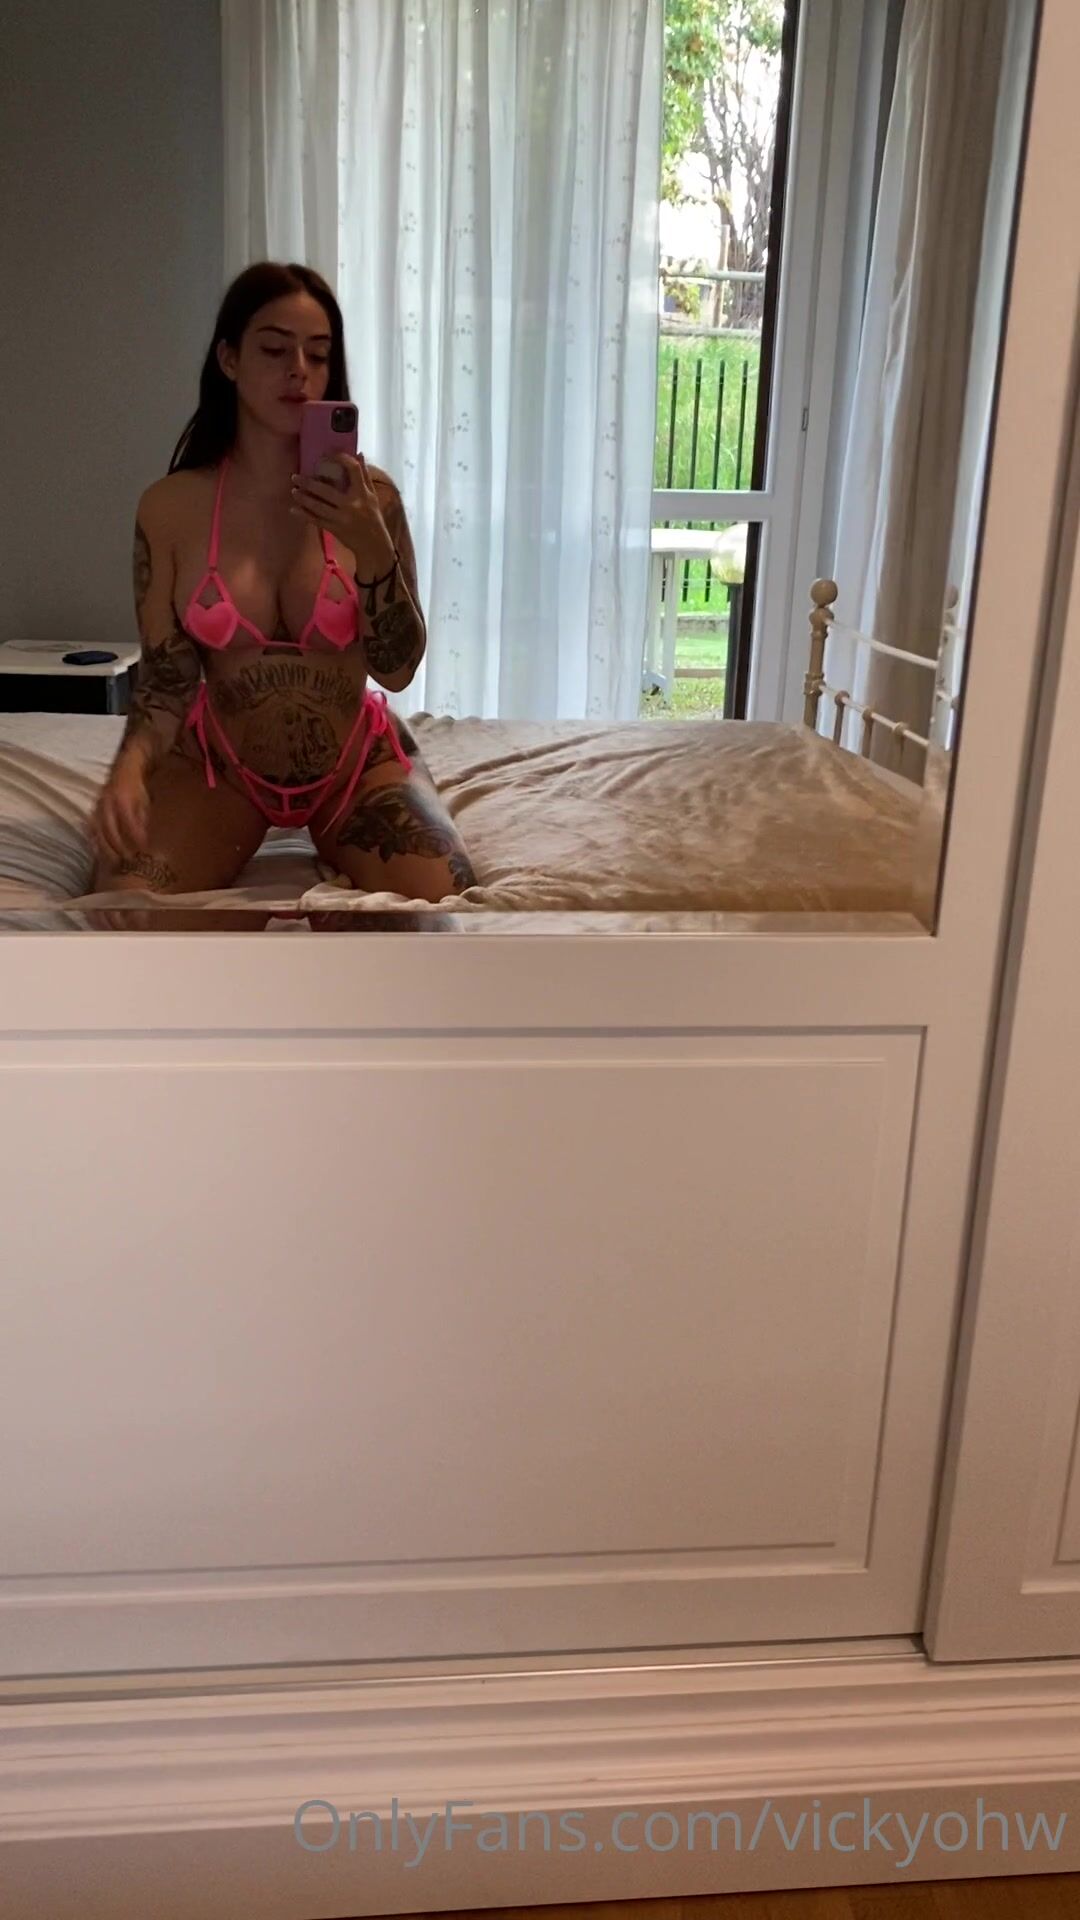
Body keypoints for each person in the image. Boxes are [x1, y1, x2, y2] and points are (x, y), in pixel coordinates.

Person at [90, 261, 477, 901]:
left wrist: (371, 549)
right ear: (229, 359)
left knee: (440, 904)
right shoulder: (170, 510)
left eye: (318, 354)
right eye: (274, 349)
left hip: (354, 767)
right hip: (225, 769)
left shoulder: (372, 500)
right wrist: (130, 768)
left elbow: (398, 670)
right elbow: (167, 681)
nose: (299, 368)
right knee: (126, 907)